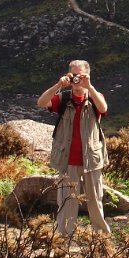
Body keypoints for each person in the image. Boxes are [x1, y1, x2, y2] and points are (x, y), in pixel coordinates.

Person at [36, 59, 111, 238]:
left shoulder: (94, 97)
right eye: (74, 75)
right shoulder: (63, 98)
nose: (77, 80)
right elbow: (41, 102)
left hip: (91, 160)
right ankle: (63, 240)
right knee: (66, 202)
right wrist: (58, 85)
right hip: (68, 160)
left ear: (88, 76)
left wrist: (89, 87)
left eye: (80, 75)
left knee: (95, 201)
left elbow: (103, 108)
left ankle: (102, 239)